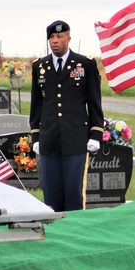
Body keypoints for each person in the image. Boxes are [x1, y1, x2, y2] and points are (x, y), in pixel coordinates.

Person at [29, 20, 104, 212]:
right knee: (51, 197)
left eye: (59, 37)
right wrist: (36, 136)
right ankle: (55, 236)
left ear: (68, 39)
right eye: (52, 37)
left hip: (76, 139)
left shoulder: (84, 64)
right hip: (49, 138)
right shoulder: (40, 66)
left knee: (74, 195)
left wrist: (96, 133)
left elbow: (94, 102)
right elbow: (36, 105)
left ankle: (75, 233)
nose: (55, 41)